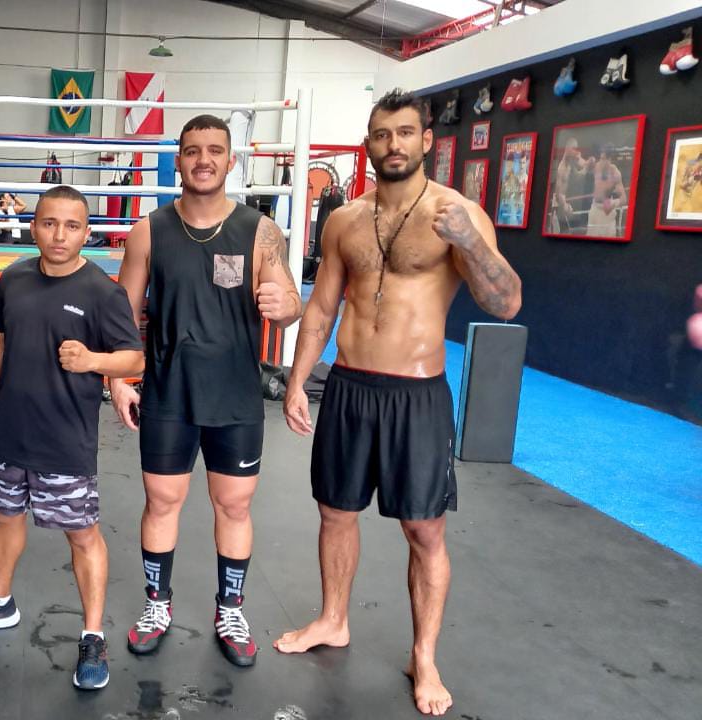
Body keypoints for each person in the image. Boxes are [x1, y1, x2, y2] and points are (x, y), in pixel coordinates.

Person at [274, 89, 522, 717]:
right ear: (368, 143)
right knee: (335, 512)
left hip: (417, 394)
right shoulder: (344, 221)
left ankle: (425, 657)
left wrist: (470, 242)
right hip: (351, 387)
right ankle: (333, 619)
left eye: (405, 133)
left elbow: (507, 302)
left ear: (426, 140)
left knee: (424, 529)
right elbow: (324, 306)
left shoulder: (457, 213)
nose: (394, 145)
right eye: (382, 135)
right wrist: (299, 380)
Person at [111, 114, 303, 668]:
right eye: (192, 150)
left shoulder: (259, 230)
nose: (203, 159)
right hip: (169, 391)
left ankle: (231, 609)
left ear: (230, 160)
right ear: (178, 160)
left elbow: (290, 299)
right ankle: (156, 605)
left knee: (234, 505)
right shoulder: (149, 230)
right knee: (162, 501)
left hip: (236, 393)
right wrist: (116, 379)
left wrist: (285, 307)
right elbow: (123, 315)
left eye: (214, 150)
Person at [0, 185, 144, 690]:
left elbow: (135, 358)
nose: (59, 235)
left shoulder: (103, 291)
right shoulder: (13, 277)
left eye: (72, 226)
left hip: (65, 438)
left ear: (87, 232)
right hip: (9, 429)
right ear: (33, 226)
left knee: (82, 534)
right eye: (50, 223)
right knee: (5, 517)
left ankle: (93, 635)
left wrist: (95, 362)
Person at [586, 143, 627, 237]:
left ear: (610, 159)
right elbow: (583, 166)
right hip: (595, 209)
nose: (601, 161)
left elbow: (624, 198)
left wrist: (613, 203)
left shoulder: (615, 173)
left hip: (607, 212)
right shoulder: (596, 166)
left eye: (604, 159)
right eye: (601, 158)